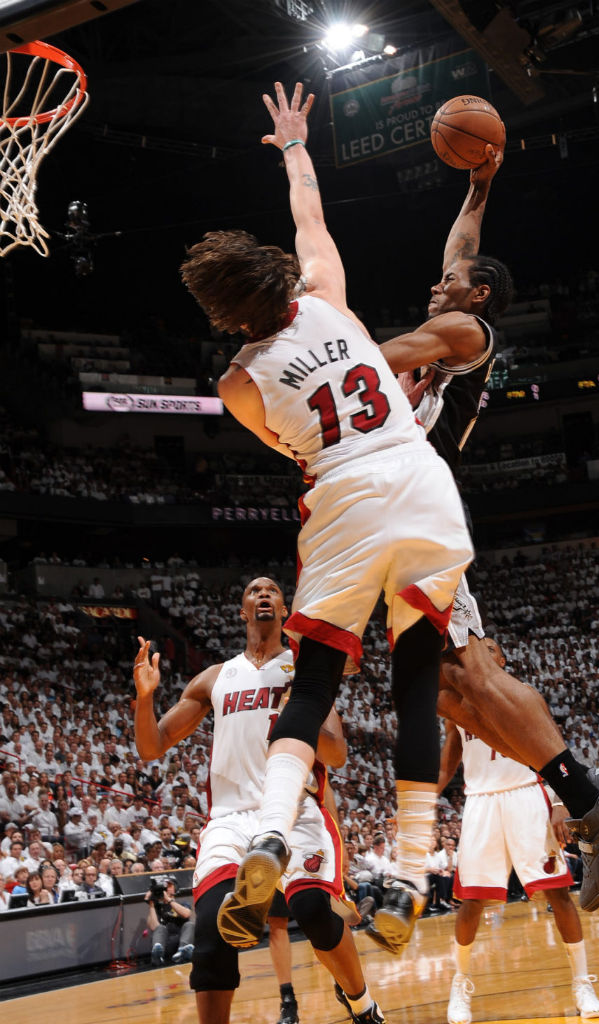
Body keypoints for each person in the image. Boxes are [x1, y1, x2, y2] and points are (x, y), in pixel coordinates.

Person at [180, 81, 473, 959]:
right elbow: (309, 211)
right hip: (419, 481)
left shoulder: (236, 381)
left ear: (227, 311)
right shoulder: (326, 294)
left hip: (342, 495)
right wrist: (295, 145)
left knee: (312, 689)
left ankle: (269, 835)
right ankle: (413, 872)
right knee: (417, 680)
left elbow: (290, 444)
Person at [376, 140, 599, 913]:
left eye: (452, 281)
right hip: (399, 522)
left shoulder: (465, 337)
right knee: (446, 688)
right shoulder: (454, 312)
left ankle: (595, 802)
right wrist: (480, 184)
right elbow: (461, 244)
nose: (439, 281)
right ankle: (594, 788)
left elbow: (379, 352)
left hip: (419, 515)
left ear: (481, 295)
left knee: (472, 676)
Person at [133, 576, 386, 1024]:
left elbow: (338, 755)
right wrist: (145, 698)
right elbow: (152, 746)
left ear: (285, 611)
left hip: (296, 812)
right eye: (254, 591)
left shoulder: (306, 673)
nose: (264, 594)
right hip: (230, 818)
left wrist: (296, 712)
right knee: (210, 932)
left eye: (272, 591)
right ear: (243, 611)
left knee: (311, 909)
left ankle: (362, 1005)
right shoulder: (216, 677)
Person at [438, 637, 599, 1024]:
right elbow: (448, 761)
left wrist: (561, 803)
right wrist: (422, 797)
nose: (481, 651)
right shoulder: (456, 705)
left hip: (527, 795)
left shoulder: (525, 695)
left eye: (490, 647)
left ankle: (582, 982)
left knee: (558, 894)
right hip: (480, 800)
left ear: (501, 658)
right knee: (471, 902)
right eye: (477, 646)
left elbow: (554, 751)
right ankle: (460, 985)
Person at [146, 876, 195, 966]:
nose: (166, 888)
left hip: (181, 941)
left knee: (190, 925)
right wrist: (151, 904)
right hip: (165, 943)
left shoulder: (183, 904)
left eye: (168, 885)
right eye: (164, 886)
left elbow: (186, 914)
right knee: (160, 928)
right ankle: (157, 955)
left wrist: (168, 900)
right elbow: (153, 927)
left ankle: (182, 952)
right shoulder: (157, 907)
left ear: (175, 888)